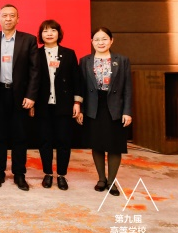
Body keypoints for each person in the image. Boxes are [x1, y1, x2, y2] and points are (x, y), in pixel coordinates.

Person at [0, 4, 40, 191]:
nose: (8, 19)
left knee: (20, 136)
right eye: (4, 15)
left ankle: (19, 174)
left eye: (12, 15)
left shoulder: (29, 40)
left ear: (18, 19)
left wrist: (31, 95)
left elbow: (35, 71)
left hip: (20, 96)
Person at [76, 27, 132, 197]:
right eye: (97, 39)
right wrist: (80, 108)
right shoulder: (85, 61)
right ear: (92, 42)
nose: (101, 42)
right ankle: (101, 179)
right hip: (94, 106)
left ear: (111, 41)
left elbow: (128, 88)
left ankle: (112, 181)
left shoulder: (122, 60)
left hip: (115, 107)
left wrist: (127, 111)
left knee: (115, 146)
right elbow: (81, 87)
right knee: (97, 144)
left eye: (104, 39)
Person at [35, 20, 82, 191]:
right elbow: (32, 80)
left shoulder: (68, 54)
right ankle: (47, 173)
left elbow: (77, 80)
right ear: (40, 35)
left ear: (59, 33)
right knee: (45, 140)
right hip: (42, 104)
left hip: (64, 104)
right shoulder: (36, 54)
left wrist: (77, 102)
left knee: (64, 140)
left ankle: (61, 175)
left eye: (53, 30)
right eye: (45, 31)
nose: (49, 34)